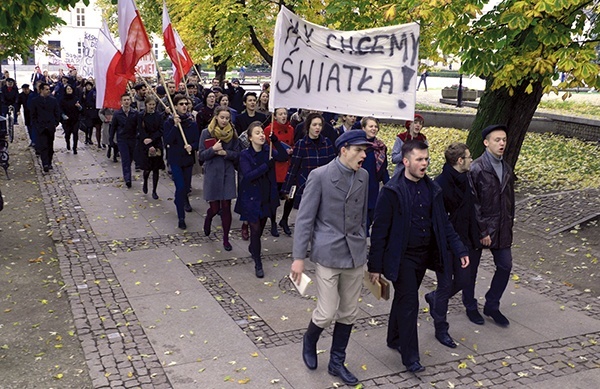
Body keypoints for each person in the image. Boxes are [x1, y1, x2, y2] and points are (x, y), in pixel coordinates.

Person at [367, 140, 468, 373]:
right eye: (419, 159)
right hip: (402, 258)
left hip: (425, 256)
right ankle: (410, 356)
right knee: (410, 301)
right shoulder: (392, 191)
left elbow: (444, 223)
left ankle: (393, 337)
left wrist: (460, 249)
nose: (424, 163)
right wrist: (375, 267)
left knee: (403, 299)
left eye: (426, 159)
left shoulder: (432, 189)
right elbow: (379, 232)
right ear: (406, 162)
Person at [290, 130, 372, 386]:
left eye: (365, 150)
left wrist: (364, 244)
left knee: (348, 312)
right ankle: (310, 339)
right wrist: (298, 257)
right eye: (359, 150)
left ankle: (337, 362)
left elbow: (363, 215)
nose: (364, 155)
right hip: (327, 252)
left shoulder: (365, 176)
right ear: (343, 149)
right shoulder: (320, 175)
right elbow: (304, 219)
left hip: (355, 255)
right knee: (326, 313)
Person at [425, 143, 481, 348]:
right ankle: (441, 328)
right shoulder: (440, 185)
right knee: (446, 284)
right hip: (444, 245)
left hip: (464, 241)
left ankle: (434, 298)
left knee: (464, 280)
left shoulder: (467, 179)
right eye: (468, 157)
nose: (471, 160)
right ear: (460, 161)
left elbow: (470, 212)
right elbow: (439, 221)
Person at [466, 124, 515, 327]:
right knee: (470, 271)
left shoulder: (507, 167)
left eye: (504, 139)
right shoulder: (476, 168)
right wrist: (482, 230)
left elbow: (509, 198)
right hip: (481, 229)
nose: (502, 143)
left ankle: (492, 305)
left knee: (505, 265)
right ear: (486, 143)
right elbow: (473, 203)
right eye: (497, 140)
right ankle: (469, 306)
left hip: (502, 227)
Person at [237, 121, 288, 277]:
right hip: (251, 196)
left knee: (260, 228)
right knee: (255, 228)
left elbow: (284, 156)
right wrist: (267, 165)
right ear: (250, 137)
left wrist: (276, 142)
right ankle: (258, 263)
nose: (261, 135)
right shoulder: (245, 155)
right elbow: (249, 175)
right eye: (257, 133)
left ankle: (254, 246)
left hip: (266, 196)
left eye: (262, 132)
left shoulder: (269, 150)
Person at [280, 112, 336, 235]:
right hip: (305, 186)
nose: (317, 128)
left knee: (321, 220)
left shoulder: (327, 143)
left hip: (324, 186)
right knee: (305, 220)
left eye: (320, 125)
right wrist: (286, 188)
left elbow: (333, 167)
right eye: (314, 125)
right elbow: (294, 167)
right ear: (308, 126)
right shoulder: (301, 144)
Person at [199, 106, 240, 251]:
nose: (224, 120)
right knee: (215, 208)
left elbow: (237, 154)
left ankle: (226, 239)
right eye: (222, 117)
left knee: (227, 207)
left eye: (227, 118)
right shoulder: (206, 132)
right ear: (216, 116)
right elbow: (201, 156)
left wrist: (225, 153)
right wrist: (213, 150)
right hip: (213, 173)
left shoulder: (233, 133)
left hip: (227, 173)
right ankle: (209, 218)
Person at [164, 95, 200, 229]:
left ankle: (180, 199)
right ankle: (181, 217)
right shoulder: (169, 122)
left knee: (185, 188)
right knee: (179, 187)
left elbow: (197, 141)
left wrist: (192, 146)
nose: (184, 106)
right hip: (175, 160)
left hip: (188, 160)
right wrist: (174, 126)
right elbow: (167, 141)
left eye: (186, 103)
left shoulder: (192, 123)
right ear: (175, 106)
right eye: (181, 104)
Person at [264, 107, 294, 237]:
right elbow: (266, 147)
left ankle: (285, 219)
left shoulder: (291, 129)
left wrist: (291, 150)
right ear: (275, 116)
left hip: (288, 166)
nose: (283, 116)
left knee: (291, 196)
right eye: (280, 114)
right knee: (274, 199)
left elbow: (292, 143)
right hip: (276, 167)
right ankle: (273, 223)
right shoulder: (268, 130)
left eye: (285, 114)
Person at [360, 117, 390, 231]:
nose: (374, 129)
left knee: (371, 215)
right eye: (370, 126)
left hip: (373, 187)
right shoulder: (358, 146)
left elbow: (384, 169)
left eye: (376, 126)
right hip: (359, 187)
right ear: (363, 128)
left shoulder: (381, 147)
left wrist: (389, 185)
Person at [137, 97, 165, 200]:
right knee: (147, 168)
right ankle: (145, 182)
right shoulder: (141, 116)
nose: (152, 107)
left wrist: (153, 140)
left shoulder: (159, 116)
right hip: (145, 143)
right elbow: (140, 129)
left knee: (156, 169)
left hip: (156, 142)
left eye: (153, 105)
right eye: (150, 105)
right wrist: (147, 143)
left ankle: (154, 190)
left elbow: (161, 130)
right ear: (146, 105)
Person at [30, 82, 60, 172]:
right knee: (43, 146)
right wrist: (37, 124)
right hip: (41, 126)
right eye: (46, 89)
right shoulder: (35, 101)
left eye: (49, 89)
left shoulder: (53, 100)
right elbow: (33, 115)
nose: (48, 91)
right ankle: (45, 163)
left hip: (50, 126)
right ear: (41, 90)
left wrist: (55, 122)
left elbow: (57, 112)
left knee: (50, 146)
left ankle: (49, 162)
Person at [109, 94, 138, 188]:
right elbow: (113, 126)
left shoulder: (134, 112)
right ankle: (127, 178)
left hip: (132, 138)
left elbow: (138, 126)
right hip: (122, 139)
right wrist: (111, 138)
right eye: (124, 100)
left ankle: (127, 172)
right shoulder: (117, 114)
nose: (126, 101)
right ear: (121, 102)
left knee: (131, 158)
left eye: (128, 100)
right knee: (125, 158)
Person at [59, 84, 83, 154]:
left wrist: (79, 107)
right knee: (67, 134)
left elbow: (81, 109)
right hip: (66, 120)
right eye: (68, 89)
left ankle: (75, 148)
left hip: (75, 119)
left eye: (70, 89)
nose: (69, 90)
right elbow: (60, 109)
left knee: (75, 133)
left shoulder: (76, 98)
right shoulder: (62, 99)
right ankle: (68, 144)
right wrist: (63, 115)